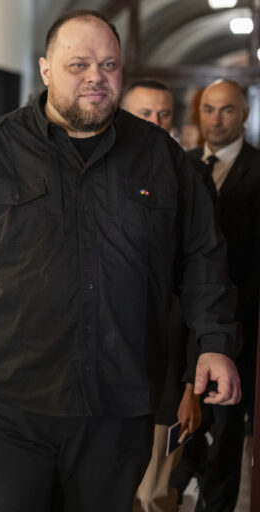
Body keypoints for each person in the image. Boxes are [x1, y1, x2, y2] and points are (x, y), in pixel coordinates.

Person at [0, 10, 241, 512]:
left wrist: (214, 343)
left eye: (109, 64)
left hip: (120, 402)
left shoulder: (162, 158)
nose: (96, 76)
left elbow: (203, 256)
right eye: (79, 64)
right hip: (7, 404)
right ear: (46, 70)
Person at [173, 79, 260, 512]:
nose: (216, 119)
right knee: (181, 426)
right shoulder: (182, 164)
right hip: (184, 323)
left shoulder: (259, 169)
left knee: (226, 430)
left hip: (240, 324)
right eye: (208, 109)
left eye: (227, 109)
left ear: (244, 114)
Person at [121, 78, 203, 512]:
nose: (155, 122)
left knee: (154, 490)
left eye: (163, 113)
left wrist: (192, 376)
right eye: (144, 114)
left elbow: (199, 277)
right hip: (96, 370)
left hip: (162, 362)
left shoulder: (187, 179)